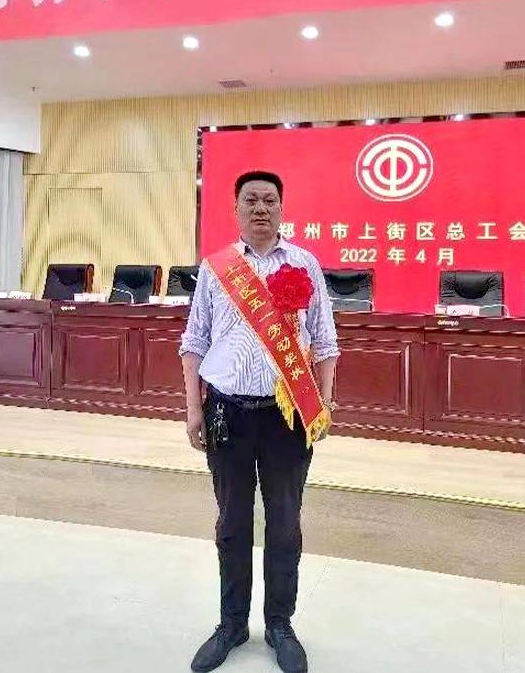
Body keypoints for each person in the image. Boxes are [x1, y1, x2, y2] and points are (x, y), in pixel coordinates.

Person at [180, 170, 339, 673]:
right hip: (226, 411)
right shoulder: (217, 268)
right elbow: (194, 341)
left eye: (269, 200)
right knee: (231, 524)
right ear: (236, 209)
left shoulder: (304, 263)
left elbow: (325, 342)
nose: (260, 208)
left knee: (285, 525)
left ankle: (279, 624)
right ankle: (231, 624)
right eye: (250, 200)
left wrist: (324, 404)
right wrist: (193, 408)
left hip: (287, 415)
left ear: (282, 207)